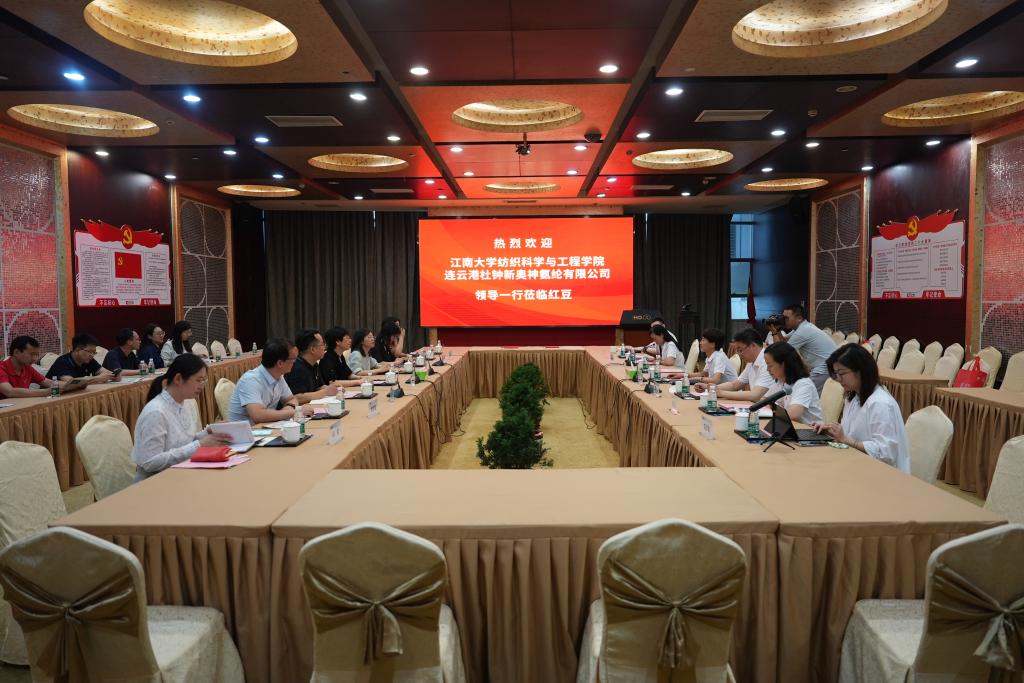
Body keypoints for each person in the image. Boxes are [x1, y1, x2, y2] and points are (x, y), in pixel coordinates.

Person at [131, 354, 231, 481]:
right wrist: (199, 445)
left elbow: (184, 442)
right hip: (155, 482)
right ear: (178, 379)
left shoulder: (187, 402)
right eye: (198, 380)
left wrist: (209, 431)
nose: (202, 385)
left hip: (182, 474)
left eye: (204, 381)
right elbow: (150, 462)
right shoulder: (156, 412)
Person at [813, 344, 910, 473]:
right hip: (858, 463)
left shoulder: (880, 403)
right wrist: (831, 431)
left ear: (861, 371)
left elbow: (886, 452)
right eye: (836, 374)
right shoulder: (853, 397)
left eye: (842, 373)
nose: (839, 379)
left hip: (883, 473)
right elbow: (849, 433)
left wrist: (847, 440)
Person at [228, 337, 313, 423]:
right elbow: (258, 415)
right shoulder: (251, 380)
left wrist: (288, 408)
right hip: (246, 430)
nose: (295, 362)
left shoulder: (278, 376)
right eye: (293, 359)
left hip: (266, 428)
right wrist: (294, 412)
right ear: (280, 363)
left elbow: (291, 399)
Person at [694, 328, 772, 402]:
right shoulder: (752, 362)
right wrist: (710, 388)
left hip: (768, 408)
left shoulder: (767, 362)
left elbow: (755, 395)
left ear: (753, 346)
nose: (739, 354)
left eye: (740, 350)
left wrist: (720, 393)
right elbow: (735, 385)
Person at [762, 342, 823, 424]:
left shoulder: (804, 384)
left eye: (770, 366)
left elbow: (793, 414)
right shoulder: (780, 381)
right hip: (790, 426)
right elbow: (764, 402)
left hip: (809, 429)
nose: (767, 369)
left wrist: (770, 409)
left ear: (784, 364)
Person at [782, 303, 835, 392]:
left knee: (800, 390)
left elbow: (782, 351)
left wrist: (775, 332)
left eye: (786, 318)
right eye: (783, 318)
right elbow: (783, 341)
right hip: (824, 366)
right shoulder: (802, 327)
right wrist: (776, 330)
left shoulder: (802, 331)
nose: (784, 321)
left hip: (823, 369)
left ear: (799, 318)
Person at [284, 329, 339, 404]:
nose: (325, 347)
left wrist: (334, 389)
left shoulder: (314, 364)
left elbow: (319, 386)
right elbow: (297, 397)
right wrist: (325, 392)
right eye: (322, 344)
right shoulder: (296, 367)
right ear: (313, 349)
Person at [46, 334, 113, 382]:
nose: (92, 355)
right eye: (89, 351)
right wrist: (97, 378)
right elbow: (71, 382)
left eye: (94, 352)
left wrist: (112, 375)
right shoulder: (62, 362)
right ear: (77, 350)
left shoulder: (89, 360)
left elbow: (106, 372)